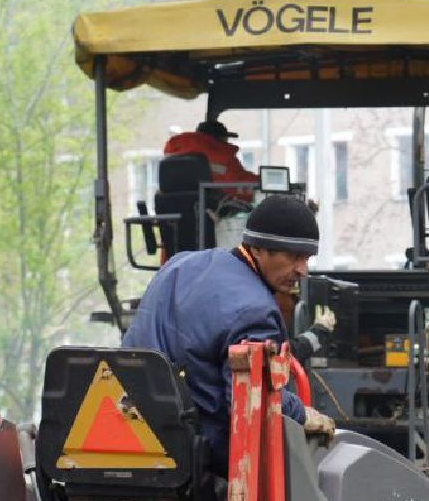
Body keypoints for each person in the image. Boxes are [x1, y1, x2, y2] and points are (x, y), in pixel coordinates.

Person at [122, 193, 336, 474]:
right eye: (294, 256)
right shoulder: (256, 311)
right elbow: (253, 400)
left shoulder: (178, 264)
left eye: (307, 258)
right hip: (196, 462)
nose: (303, 270)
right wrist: (301, 413)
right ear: (259, 249)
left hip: (127, 432)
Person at [163, 118, 261, 188]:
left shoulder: (174, 152)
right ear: (218, 139)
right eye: (225, 137)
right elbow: (240, 180)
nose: (227, 141)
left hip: (170, 208)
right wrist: (264, 180)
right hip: (209, 208)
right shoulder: (223, 156)